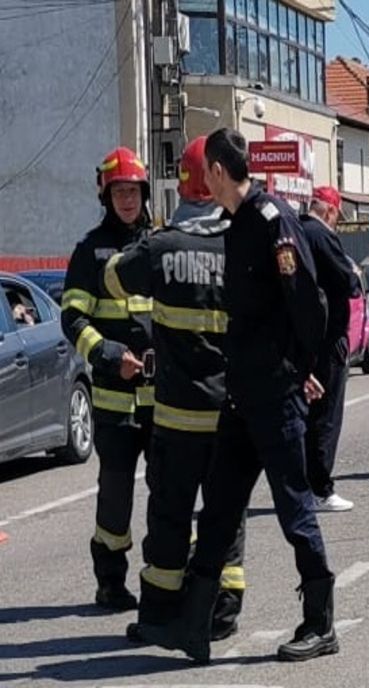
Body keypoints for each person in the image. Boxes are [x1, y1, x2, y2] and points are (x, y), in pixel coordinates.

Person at [138, 128, 335, 664]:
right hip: (241, 396)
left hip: (274, 396)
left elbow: (309, 303)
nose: (202, 181)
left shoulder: (272, 221)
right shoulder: (237, 224)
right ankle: (193, 624)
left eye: (206, 172)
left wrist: (303, 370)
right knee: (219, 509)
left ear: (219, 172)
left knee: (294, 509)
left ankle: (320, 621)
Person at [102, 136, 246, 643]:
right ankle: (222, 614)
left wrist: (156, 239)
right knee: (226, 516)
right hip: (229, 415)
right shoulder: (241, 244)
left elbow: (113, 279)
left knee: (170, 517)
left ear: (183, 185)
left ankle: (161, 616)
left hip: (176, 416)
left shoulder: (162, 246)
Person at [61, 146, 155, 611]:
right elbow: (73, 319)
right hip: (115, 398)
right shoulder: (89, 251)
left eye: (133, 191)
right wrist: (109, 355)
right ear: (106, 196)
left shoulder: (160, 244)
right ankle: (111, 581)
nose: (127, 200)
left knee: (170, 489)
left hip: (163, 397)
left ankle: (166, 578)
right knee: (115, 495)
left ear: (144, 193)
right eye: (119, 192)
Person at [300, 185, 356, 513]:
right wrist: (354, 274)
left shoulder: (294, 232)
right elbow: (348, 282)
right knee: (327, 416)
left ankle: (304, 485)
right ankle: (321, 488)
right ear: (331, 211)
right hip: (328, 339)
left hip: (301, 340)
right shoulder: (323, 236)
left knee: (305, 417)